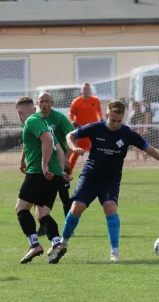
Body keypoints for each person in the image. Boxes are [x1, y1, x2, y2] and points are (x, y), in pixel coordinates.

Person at [61, 100, 159, 262]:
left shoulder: (127, 134)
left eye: (119, 121)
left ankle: (114, 252)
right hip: (91, 176)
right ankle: (63, 243)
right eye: (113, 120)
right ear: (107, 115)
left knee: (110, 208)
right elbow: (70, 135)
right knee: (76, 208)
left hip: (111, 179)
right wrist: (74, 147)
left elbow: (150, 150)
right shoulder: (95, 128)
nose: (116, 124)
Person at [15, 96, 71, 264]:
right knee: (42, 214)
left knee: (21, 209)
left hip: (39, 173)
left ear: (19, 112)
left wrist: (44, 165)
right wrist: (60, 172)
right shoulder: (45, 123)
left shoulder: (32, 120)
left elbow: (47, 141)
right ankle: (56, 243)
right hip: (53, 175)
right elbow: (60, 149)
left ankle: (34, 245)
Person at [21, 92, 75, 236]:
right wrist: (23, 159)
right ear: (37, 104)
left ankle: (69, 227)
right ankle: (43, 226)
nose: (44, 104)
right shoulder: (35, 120)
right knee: (37, 197)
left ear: (51, 103)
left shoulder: (59, 118)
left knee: (64, 196)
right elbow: (29, 143)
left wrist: (67, 157)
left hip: (58, 161)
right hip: (39, 165)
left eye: (47, 101)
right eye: (41, 101)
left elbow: (72, 136)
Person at [68, 83, 103, 174]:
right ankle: (69, 171)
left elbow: (99, 112)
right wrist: (72, 121)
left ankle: (97, 172)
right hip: (81, 130)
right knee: (76, 151)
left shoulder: (95, 100)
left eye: (87, 89)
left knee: (97, 150)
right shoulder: (76, 101)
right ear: (81, 90)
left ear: (90, 90)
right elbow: (70, 115)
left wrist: (101, 119)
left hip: (93, 130)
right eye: (84, 89)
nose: (86, 91)